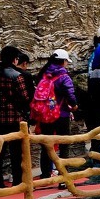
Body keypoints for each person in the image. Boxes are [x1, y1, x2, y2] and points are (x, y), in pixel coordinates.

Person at [0, 46, 31, 187]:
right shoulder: (17, 76)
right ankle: (18, 181)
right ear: (15, 59)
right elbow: (25, 97)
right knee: (16, 153)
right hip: (15, 119)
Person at [32, 50, 77, 179]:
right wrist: (74, 106)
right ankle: (64, 176)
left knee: (46, 145)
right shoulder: (64, 76)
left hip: (46, 115)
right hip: (61, 114)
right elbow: (70, 94)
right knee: (64, 145)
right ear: (63, 61)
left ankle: (45, 174)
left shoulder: (44, 74)